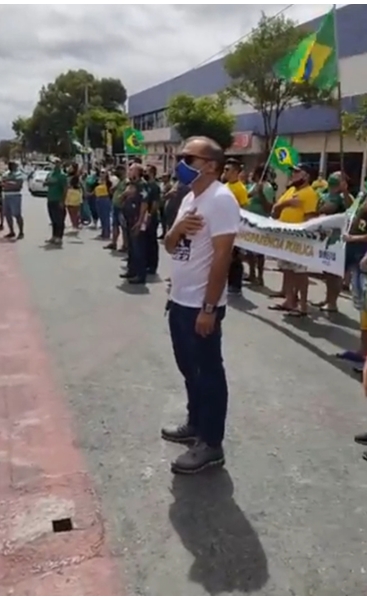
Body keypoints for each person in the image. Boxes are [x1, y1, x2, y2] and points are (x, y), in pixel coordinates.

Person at [161, 136, 241, 475]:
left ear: (210, 165)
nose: (180, 162)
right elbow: (169, 245)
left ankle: (211, 444)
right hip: (178, 299)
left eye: (187, 157)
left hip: (200, 305)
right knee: (187, 368)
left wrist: (209, 308)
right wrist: (177, 228)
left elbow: (223, 257)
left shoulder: (221, 200)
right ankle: (195, 424)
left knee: (208, 373)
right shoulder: (190, 197)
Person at [269, 164, 320, 316]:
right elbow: (275, 211)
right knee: (287, 270)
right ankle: (289, 300)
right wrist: (286, 204)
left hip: (299, 239)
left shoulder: (310, 193)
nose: (293, 174)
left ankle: (303, 305)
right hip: (284, 237)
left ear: (306, 176)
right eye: (293, 172)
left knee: (300, 272)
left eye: (298, 172)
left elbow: (311, 219)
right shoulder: (290, 190)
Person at [315, 172, 354, 312]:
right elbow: (319, 208)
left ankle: (333, 303)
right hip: (325, 237)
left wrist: (345, 192)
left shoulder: (345, 197)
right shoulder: (324, 193)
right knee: (326, 271)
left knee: (334, 272)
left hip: (337, 239)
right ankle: (327, 298)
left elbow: (351, 210)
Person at [244, 165, 275, 285]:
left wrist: (261, 193)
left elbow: (268, 207)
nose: (251, 175)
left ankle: (260, 276)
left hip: (260, 221)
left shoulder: (267, 187)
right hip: (249, 221)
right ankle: (251, 274)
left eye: (253, 173)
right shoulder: (251, 186)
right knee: (249, 250)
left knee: (259, 250)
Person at [223, 159, 248, 296]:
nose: (225, 172)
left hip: (234, 226)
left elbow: (244, 209)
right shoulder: (225, 186)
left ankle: (235, 284)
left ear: (235, 172)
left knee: (235, 257)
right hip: (223, 225)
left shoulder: (240, 188)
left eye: (228, 170)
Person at [45, 159, 68, 246]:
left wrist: (62, 201)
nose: (55, 165)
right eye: (54, 163)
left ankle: (59, 237)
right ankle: (54, 236)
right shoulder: (50, 174)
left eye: (57, 163)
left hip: (58, 200)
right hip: (50, 199)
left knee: (59, 220)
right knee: (53, 219)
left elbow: (65, 189)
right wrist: (47, 183)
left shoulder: (62, 176)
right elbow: (46, 182)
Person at [105, 165, 128, 251]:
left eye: (118, 170)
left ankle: (125, 245)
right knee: (115, 225)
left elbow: (127, 194)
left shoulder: (126, 182)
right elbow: (112, 189)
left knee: (123, 227)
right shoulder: (120, 181)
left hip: (122, 207)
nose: (116, 172)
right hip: (115, 205)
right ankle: (113, 243)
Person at [1, 161, 25, 240]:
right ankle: (11, 231)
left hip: (15, 195)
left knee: (17, 214)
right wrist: (10, 183)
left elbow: (18, 184)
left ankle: (21, 232)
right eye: (9, 165)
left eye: (12, 165)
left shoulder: (18, 174)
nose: (10, 166)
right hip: (6, 195)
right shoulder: (6, 173)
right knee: (7, 214)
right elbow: (2, 183)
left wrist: (8, 183)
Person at [94, 171, 113, 240]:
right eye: (101, 173)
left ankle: (107, 233)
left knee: (106, 217)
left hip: (105, 199)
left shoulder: (108, 183)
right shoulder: (97, 182)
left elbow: (111, 191)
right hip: (98, 198)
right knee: (101, 216)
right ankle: (103, 232)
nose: (102, 174)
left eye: (103, 173)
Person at [65, 165, 83, 230]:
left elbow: (81, 185)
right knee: (70, 210)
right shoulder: (67, 176)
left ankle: (76, 224)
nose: (69, 169)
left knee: (75, 211)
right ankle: (74, 224)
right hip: (69, 193)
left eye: (71, 168)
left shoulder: (76, 177)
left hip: (74, 193)